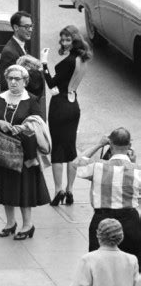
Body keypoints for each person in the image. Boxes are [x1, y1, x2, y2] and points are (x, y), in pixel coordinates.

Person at [0, 64, 50, 239]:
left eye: (17, 79)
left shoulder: (31, 100)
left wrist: (23, 127)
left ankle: (27, 225)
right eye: (10, 78)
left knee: (25, 190)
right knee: (5, 188)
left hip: (25, 153)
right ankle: (10, 223)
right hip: (3, 150)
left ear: (25, 81)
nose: (13, 82)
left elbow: (38, 123)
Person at [74, 128, 141, 270]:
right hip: (130, 222)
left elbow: (77, 163)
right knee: (132, 266)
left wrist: (99, 144)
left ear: (110, 145)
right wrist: (132, 161)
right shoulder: (137, 170)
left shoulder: (98, 167)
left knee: (98, 265)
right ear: (129, 146)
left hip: (102, 219)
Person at [41, 25, 92, 205]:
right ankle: (70, 190)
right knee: (71, 149)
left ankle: (58, 190)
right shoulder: (82, 58)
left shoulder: (68, 61)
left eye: (67, 39)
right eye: (62, 39)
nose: (64, 42)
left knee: (58, 150)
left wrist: (44, 64)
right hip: (73, 104)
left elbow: (51, 83)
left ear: (75, 39)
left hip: (60, 105)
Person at [0, 11, 32, 92]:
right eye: (26, 27)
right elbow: (6, 84)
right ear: (16, 27)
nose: (30, 30)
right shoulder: (9, 52)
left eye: (31, 26)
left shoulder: (21, 45)